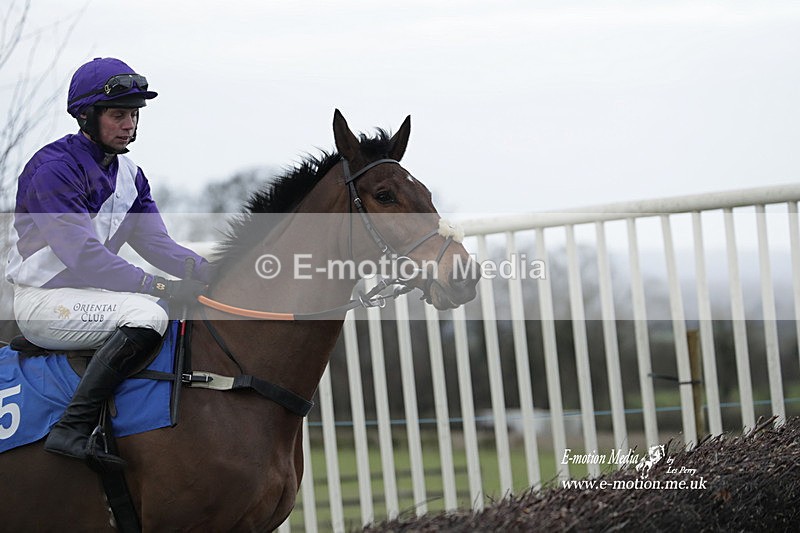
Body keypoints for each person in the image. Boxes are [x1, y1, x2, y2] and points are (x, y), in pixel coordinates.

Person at [5, 57, 212, 470]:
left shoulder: (131, 175)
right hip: (43, 302)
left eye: (134, 114)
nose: (129, 125)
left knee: (170, 311)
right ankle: (71, 428)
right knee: (148, 315)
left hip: (93, 298)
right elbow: (83, 256)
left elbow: (158, 244)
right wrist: (156, 285)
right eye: (118, 115)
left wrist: (217, 274)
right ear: (86, 115)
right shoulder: (54, 169)